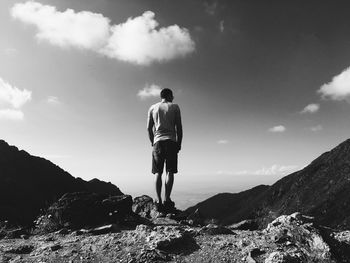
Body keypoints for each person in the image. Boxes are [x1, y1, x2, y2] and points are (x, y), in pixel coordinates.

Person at [147, 88, 182, 213]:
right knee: (170, 172)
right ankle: (167, 199)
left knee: (158, 172)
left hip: (158, 142)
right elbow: (179, 127)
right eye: (172, 95)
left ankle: (158, 200)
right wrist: (179, 143)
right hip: (171, 141)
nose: (173, 98)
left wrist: (153, 142)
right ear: (168, 95)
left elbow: (148, 128)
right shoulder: (175, 107)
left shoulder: (152, 108)